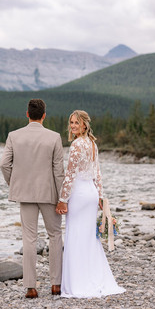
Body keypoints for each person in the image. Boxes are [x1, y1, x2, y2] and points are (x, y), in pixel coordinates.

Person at [56, 110, 125, 298]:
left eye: (76, 123)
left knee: (76, 236)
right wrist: (100, 197)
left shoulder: (77, 145)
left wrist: (62, 199)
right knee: (89, 238)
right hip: (91, 194)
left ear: (85, 125)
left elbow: (70, 175)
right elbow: (98, 174)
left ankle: (78, 282)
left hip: (79, 194)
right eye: (71, 123)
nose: (73, 126)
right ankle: (94, 277)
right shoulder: (93, 144)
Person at [0, 99, 64, 299]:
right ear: (44, 115)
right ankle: (56, 285)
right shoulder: (54, 137)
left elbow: (4, 165)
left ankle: (30, 287)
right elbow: (58, 172)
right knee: (55, 235)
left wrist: (15, 184)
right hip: (49, 194)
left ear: (27, 114)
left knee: (29, 238)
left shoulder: (14, 136)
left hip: (25, 194)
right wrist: (62, 197)